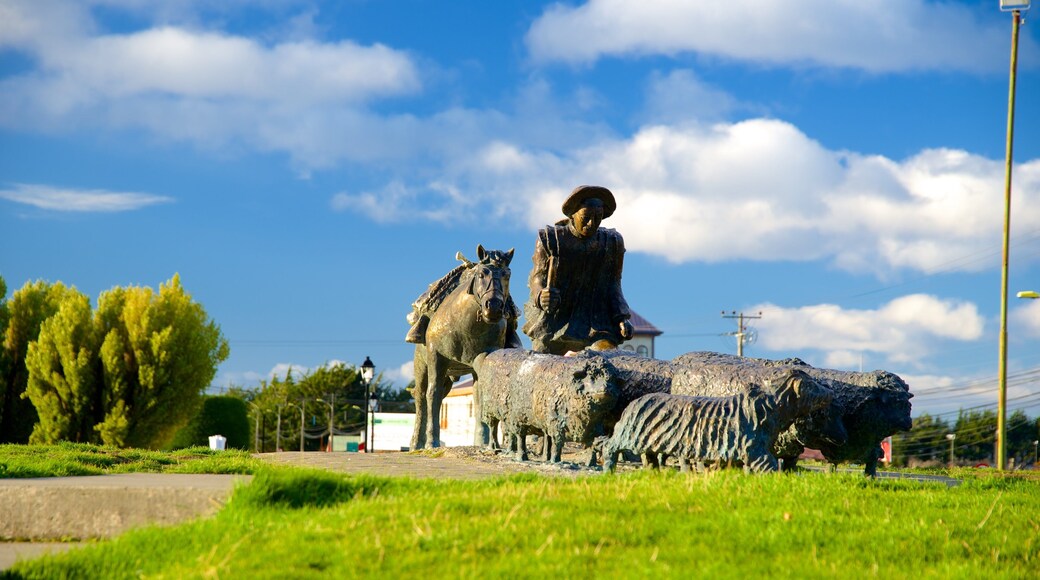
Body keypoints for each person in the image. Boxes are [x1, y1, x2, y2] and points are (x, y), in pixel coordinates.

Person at [522, 185, 633, 354]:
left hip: (596, 320)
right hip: (556, 319)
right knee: (542, 362)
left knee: (607, 357)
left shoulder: (612, 243)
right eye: (586, 217)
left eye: (598, 217)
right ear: (573, 215)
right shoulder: (551, 239)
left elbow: (614, 285)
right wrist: (540, 295)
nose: (591, 223)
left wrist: (622, 317)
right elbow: (537, 278)